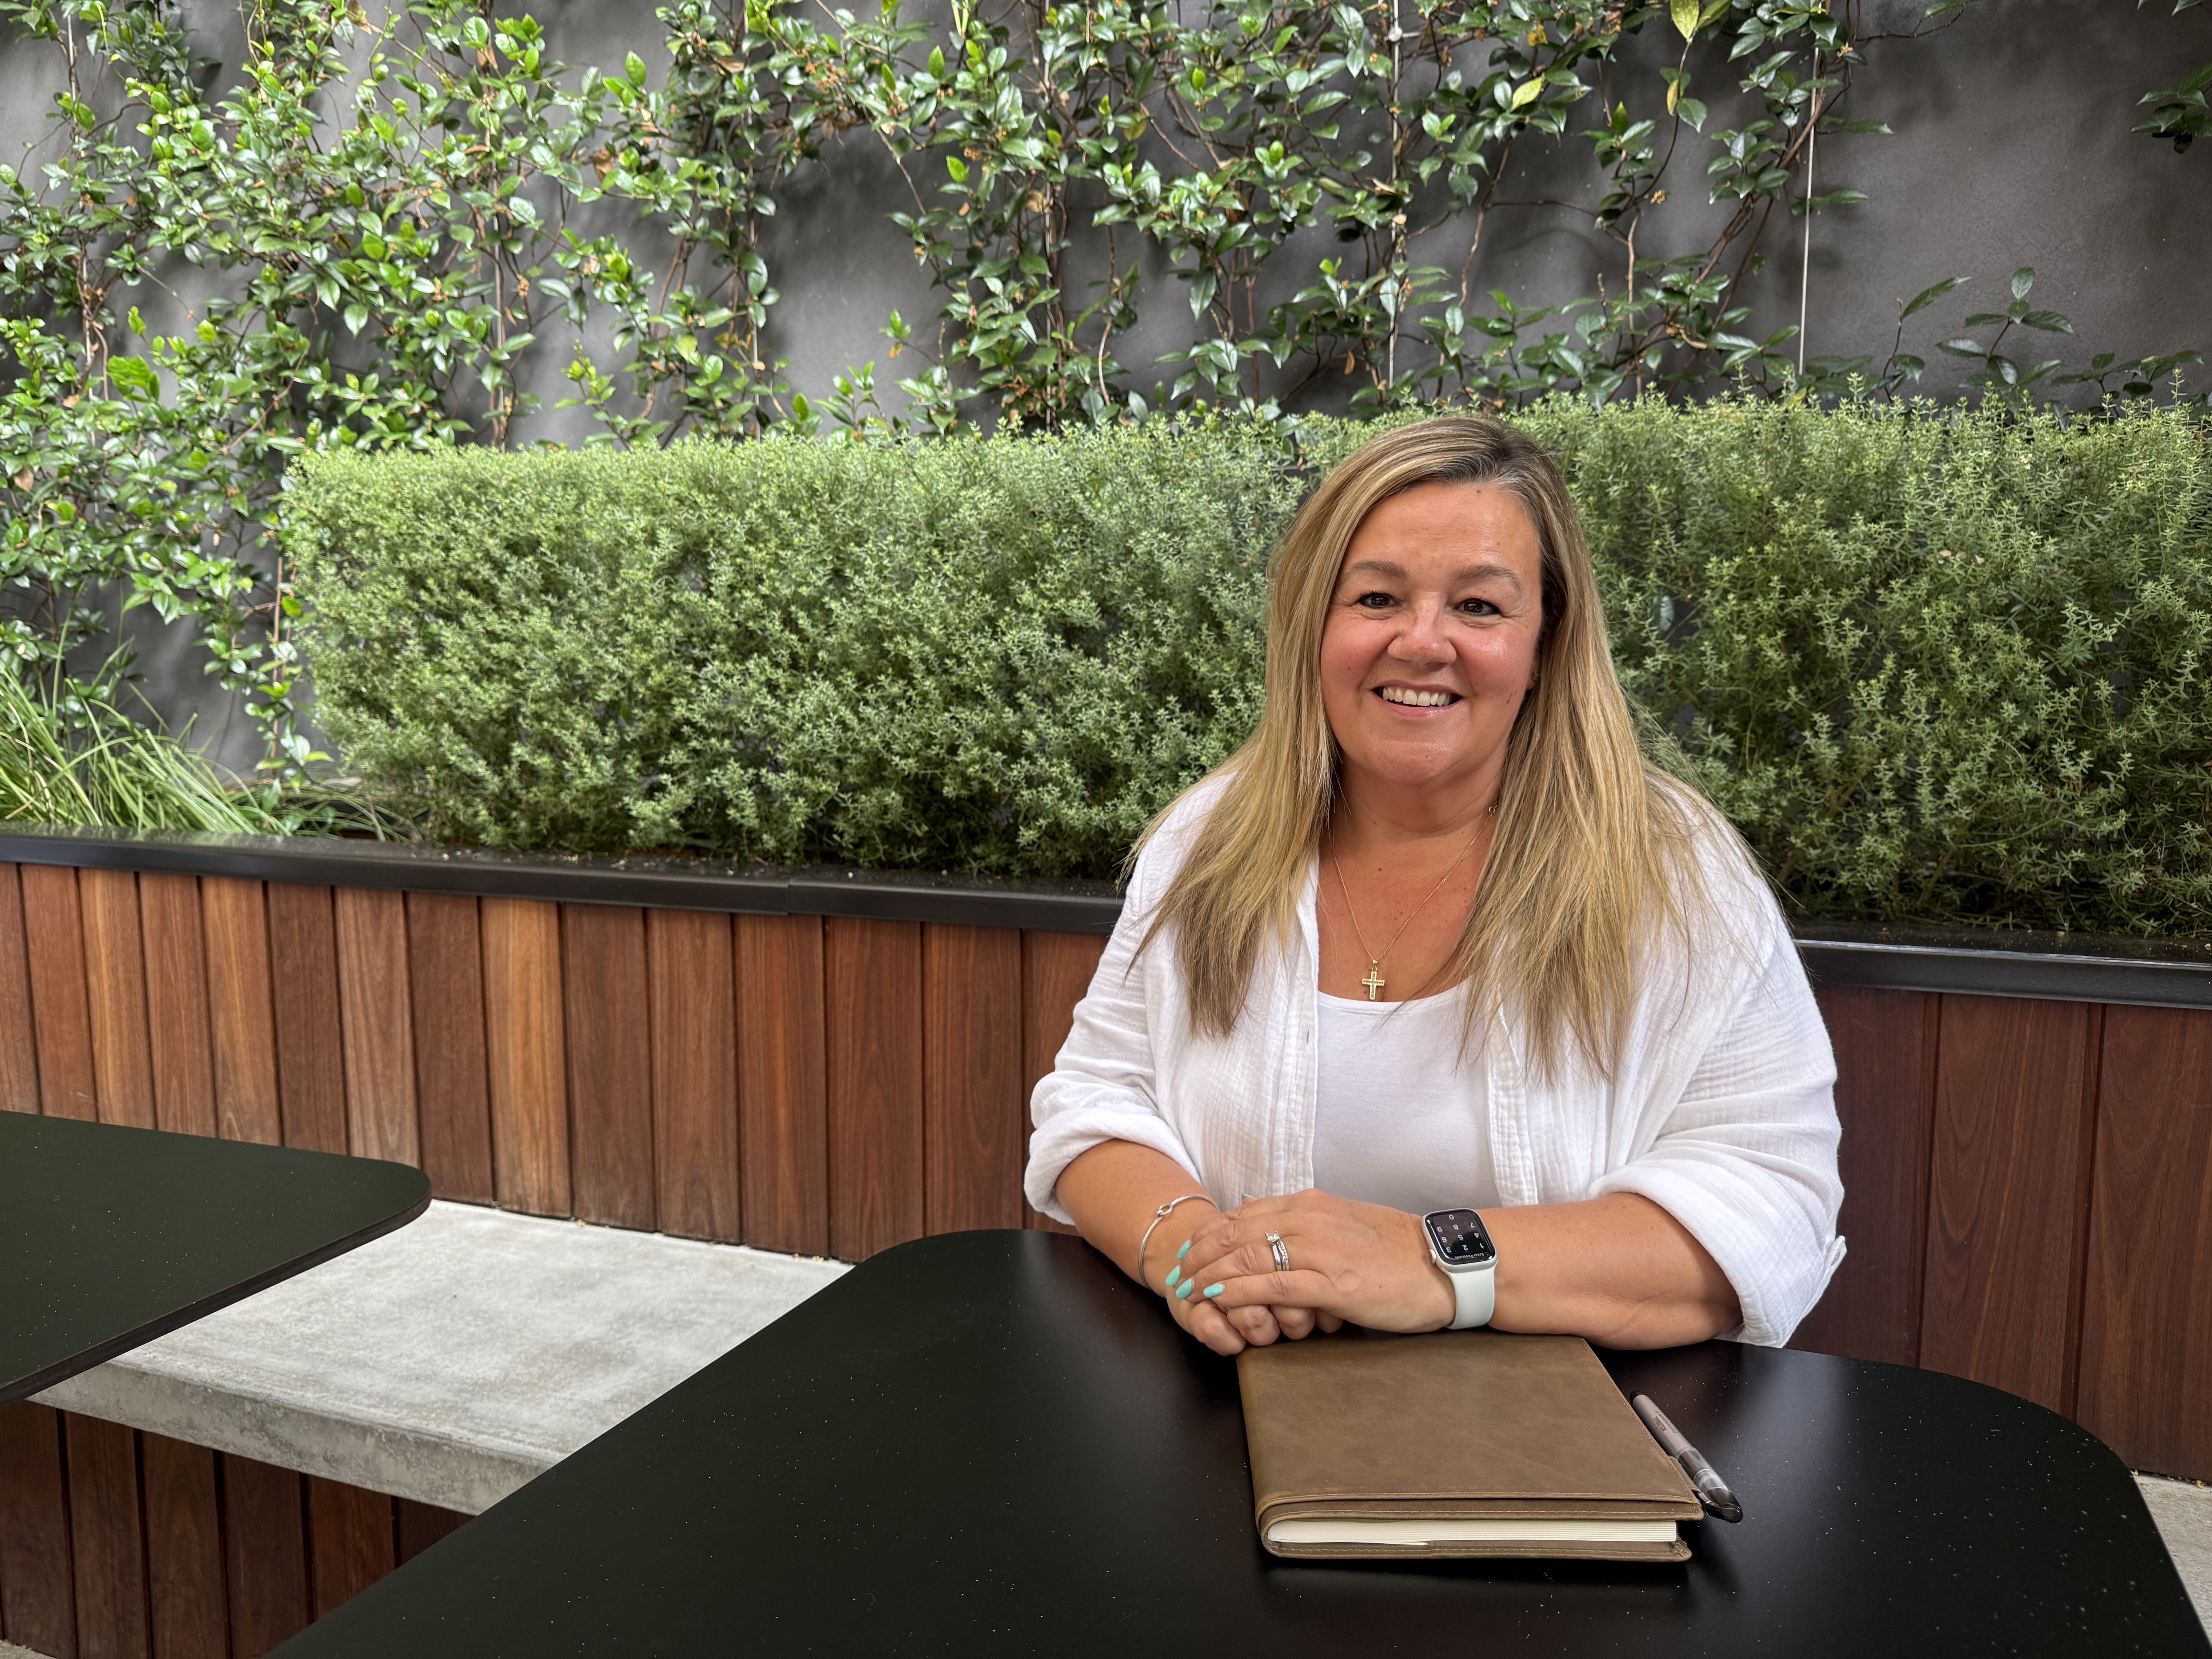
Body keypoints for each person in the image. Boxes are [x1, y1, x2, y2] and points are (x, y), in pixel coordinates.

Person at [1024, 416, 1843, 1358]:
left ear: (1546, 644)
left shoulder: (1675, 869)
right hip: (1231, 1398)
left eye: (1479, 607)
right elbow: (1098, 1104)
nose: (1422, 642)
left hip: (1570, 1431)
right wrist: (1201, 1261)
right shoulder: (1207, 840)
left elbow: (1773, 1203)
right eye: (1376, 597)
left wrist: (1431, 1264)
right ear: (1313, 626)